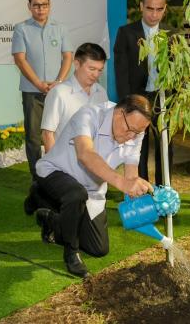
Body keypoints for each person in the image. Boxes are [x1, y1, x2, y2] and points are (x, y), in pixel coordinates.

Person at [34, 95, 153, 278]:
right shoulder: (89, 115)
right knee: (75, 194)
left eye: (137, 133)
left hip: (92, 189)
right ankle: (71, 253)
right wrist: (121, 183)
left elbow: (131, 174)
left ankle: (52, 220)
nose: (131, 137)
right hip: (57, 172)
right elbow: (85, 154)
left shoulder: (137, 130)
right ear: (119, 113)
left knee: (98, 248)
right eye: (130, 130)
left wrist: (141, 194)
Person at [24, 43, 108, 216]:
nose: (95, 75)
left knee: (89, 214)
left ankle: (42, 198)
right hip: (66, 165)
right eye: (91, 68)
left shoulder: (101, 93)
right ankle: (42, 197)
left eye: (100, 70)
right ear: (76, 64)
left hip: (91, 162)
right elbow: (48, 134)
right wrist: (57, 172)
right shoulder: (59, 93)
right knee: (70, 211)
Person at [12, 0, 73, 181]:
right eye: (36, 5)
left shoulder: (61, 28)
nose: (41, 9)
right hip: (32, 91)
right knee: (33, 137)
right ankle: (37, 177)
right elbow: (20, 59)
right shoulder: (21, 29)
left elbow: (68, 57)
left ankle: (59, 172)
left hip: (57, 91)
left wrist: (59, 82)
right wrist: (39, 84)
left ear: (49, 5)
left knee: (59, 132)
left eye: (44, 5)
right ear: (29, 6)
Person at [114, 0, 173, 185]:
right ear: (141, 7)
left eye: (159, 9)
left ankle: (163, 190)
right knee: (137, 148)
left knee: (165, 146)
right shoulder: (126, 33)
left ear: (165, 9)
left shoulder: (171, 35)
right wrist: (126, 105)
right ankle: (139, 189)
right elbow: (120, 73)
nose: (154, 14)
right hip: (137, 98)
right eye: (150, 8)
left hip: (163, 98)